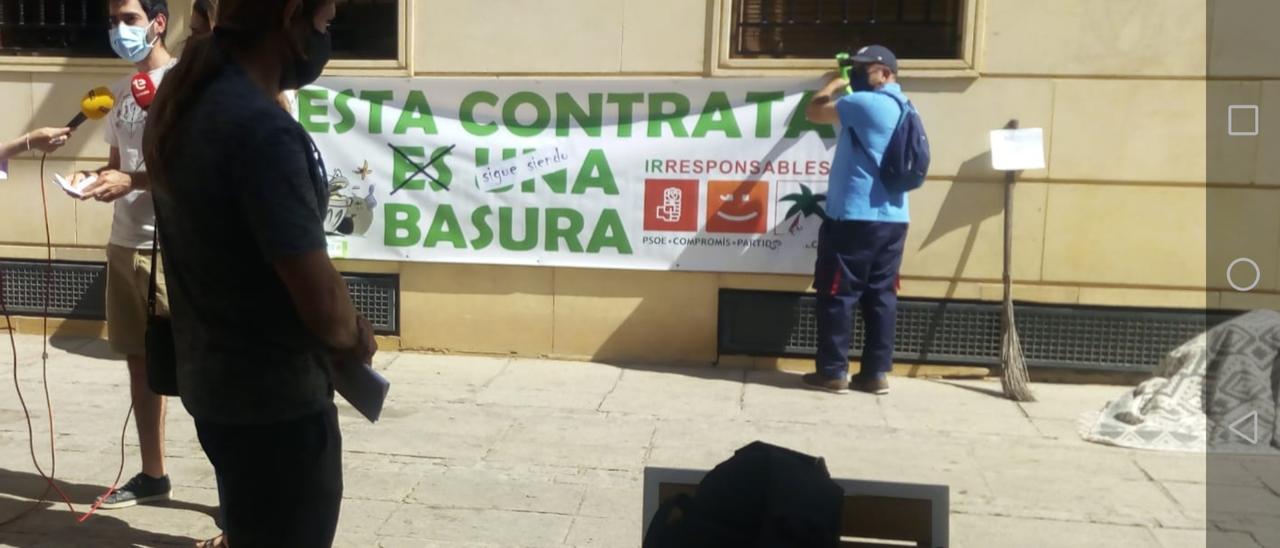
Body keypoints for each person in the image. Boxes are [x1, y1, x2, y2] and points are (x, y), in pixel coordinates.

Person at [143, 0, 374, 545]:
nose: (325, 37)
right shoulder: (263, 132)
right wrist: (352, 334)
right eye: (325, 23)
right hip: (279, 407)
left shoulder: (186, 104)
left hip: (215, 391)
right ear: (290, 19)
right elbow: (314, 290)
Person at [63, 0, 177, 509]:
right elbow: (118, 163)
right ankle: (153, 474)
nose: (119, 30)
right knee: (140, 363)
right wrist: (88, 181)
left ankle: (235, 491)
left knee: (194, 368)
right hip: (124, 242)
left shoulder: (183, 84)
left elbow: (192, 169)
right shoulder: (124, 95)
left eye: (129, 19)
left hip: (170, 247)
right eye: (112, 21)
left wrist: (133, 179)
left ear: (158, 22)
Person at [801, 45, 911, 396]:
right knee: (881, 296)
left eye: (867, 68)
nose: (859, 74)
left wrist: (832, 84)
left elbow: (814, 113)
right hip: (893, 218)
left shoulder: (864, 103)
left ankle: (833, 372)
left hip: (853, 217)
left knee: (838, 293)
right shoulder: (905, 106)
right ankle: (876, 374)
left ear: (887, 73)